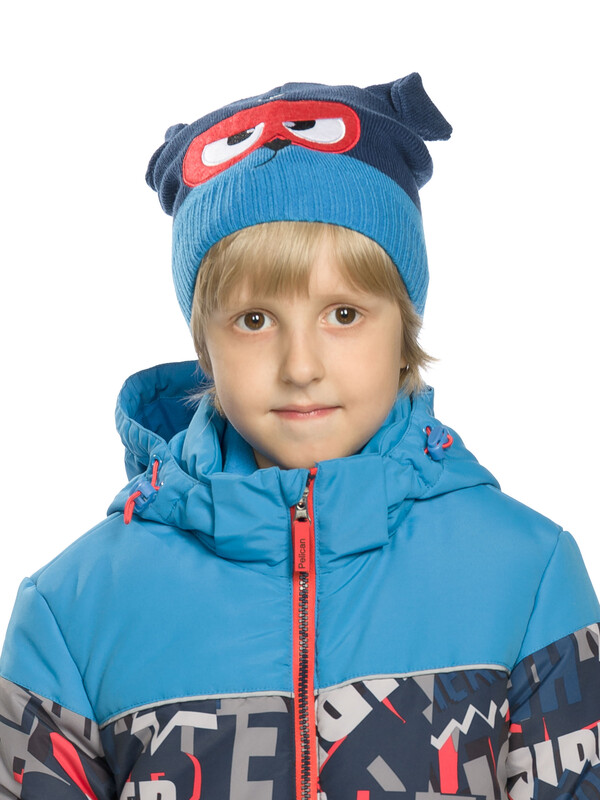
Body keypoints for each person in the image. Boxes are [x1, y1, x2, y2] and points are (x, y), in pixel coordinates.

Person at [0, 74, 598, 800]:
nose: (301, 366)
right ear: (205, 344)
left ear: (403, 329)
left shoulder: (526, 577)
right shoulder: (74, 610)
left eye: (344, 314)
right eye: (254, 320)